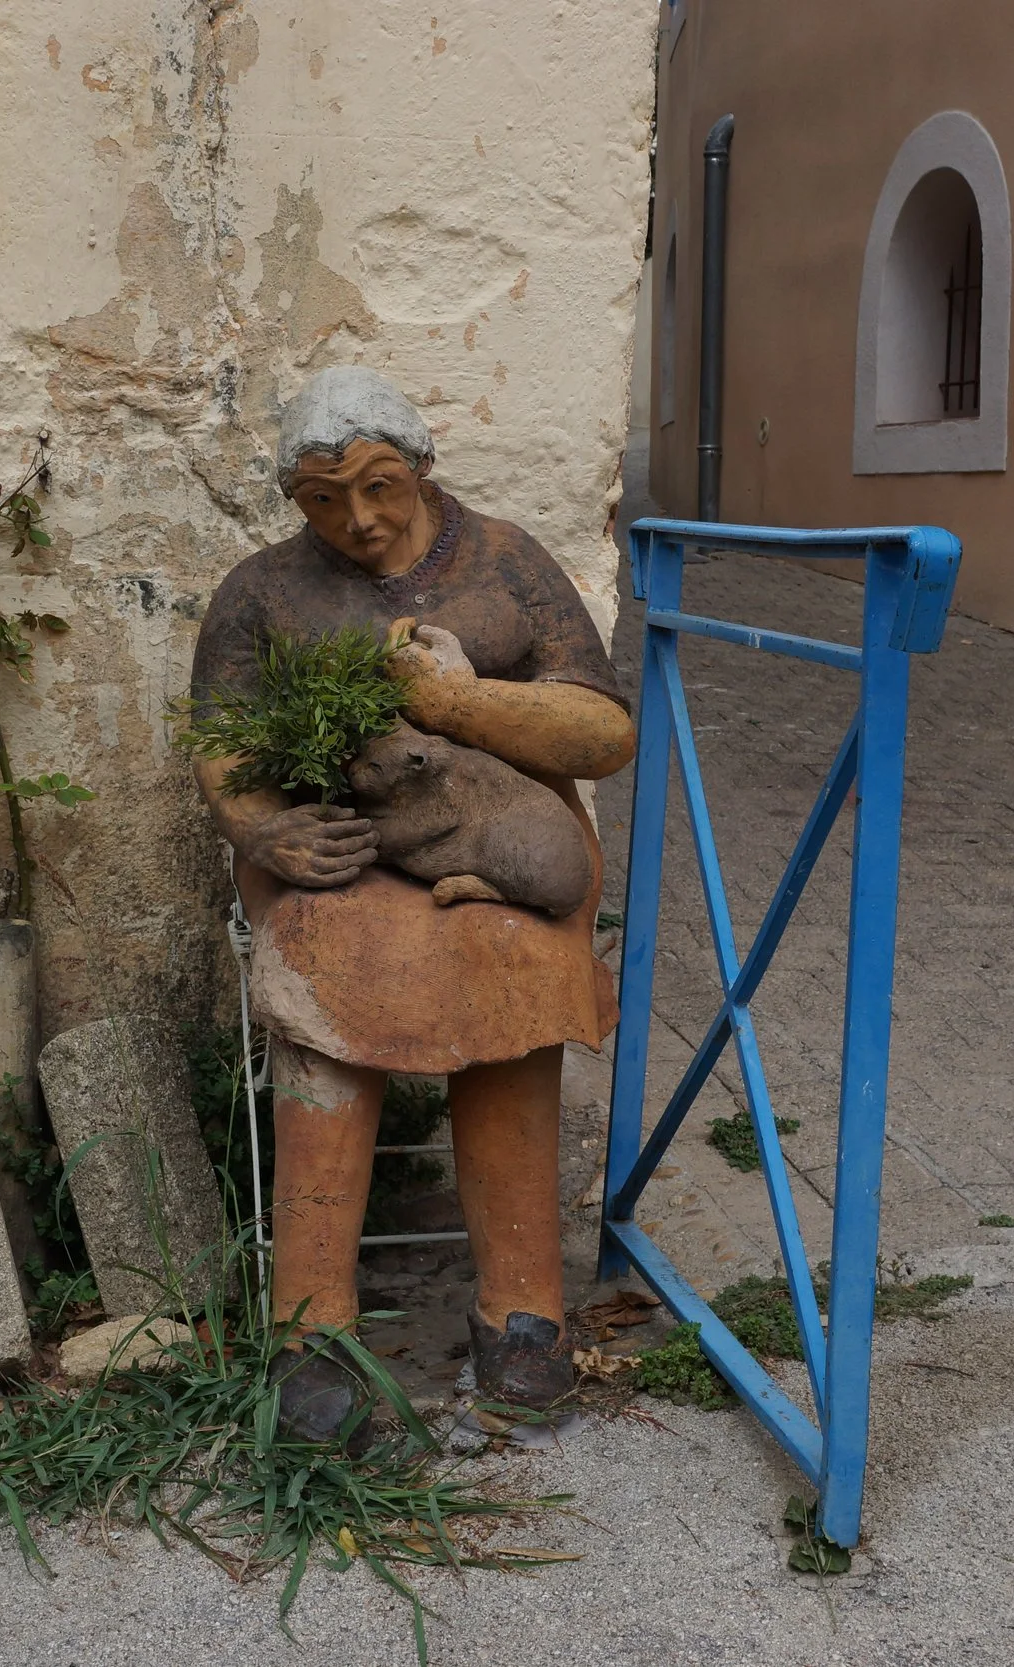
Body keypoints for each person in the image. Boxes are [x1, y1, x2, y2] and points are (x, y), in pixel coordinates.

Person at [189, 365, 636, 1442]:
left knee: (518, 967)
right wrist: (264, 830)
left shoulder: (507, 562)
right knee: (326, 975)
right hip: (334, 859)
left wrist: (458, 702)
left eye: (379, 486)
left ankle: (521, 1308)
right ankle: (311, 1322)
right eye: (324, 501)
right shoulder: (260, 591)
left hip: (501, 852)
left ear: (422, 466)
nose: (359, 519)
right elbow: (223, 748)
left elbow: (602, 734)